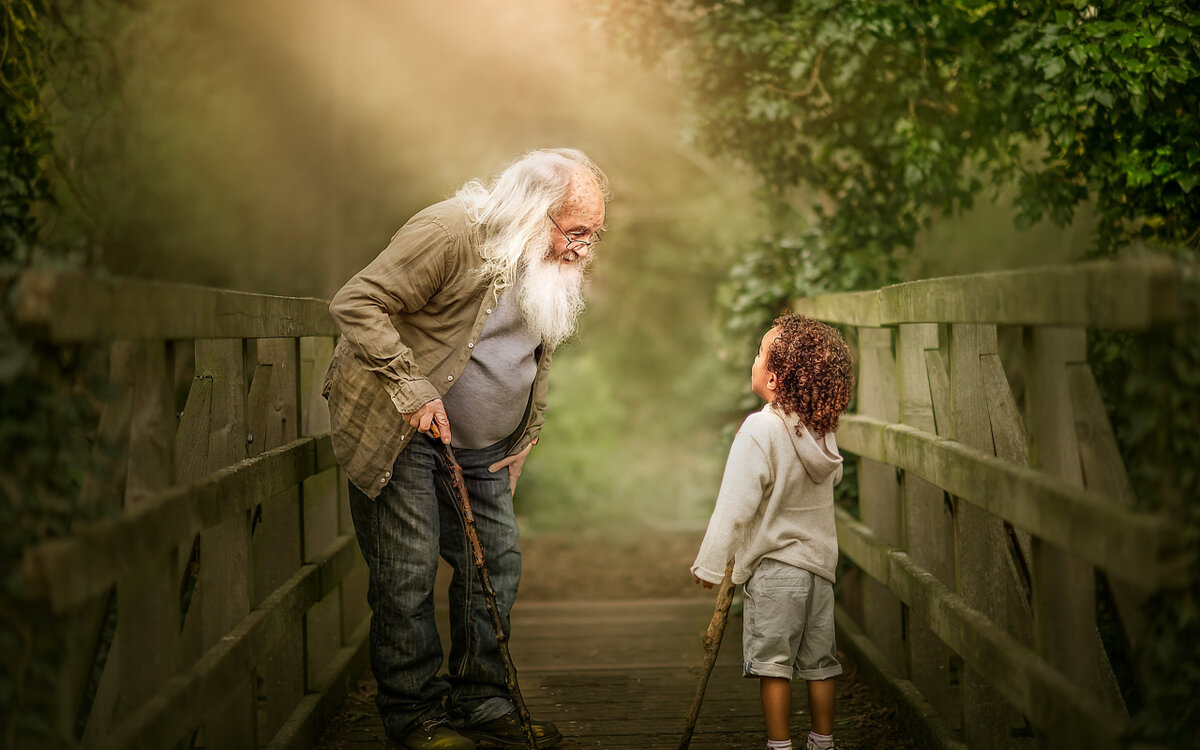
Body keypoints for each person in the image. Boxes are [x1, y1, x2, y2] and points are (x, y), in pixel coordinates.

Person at [323, 148, 608, 750]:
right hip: (402, 429)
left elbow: (536, 352)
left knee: (496, 564)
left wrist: (526, 431)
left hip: (485, 447)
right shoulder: (449, 232)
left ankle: (481, 701)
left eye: (594, 235)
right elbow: (358, 301)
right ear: (536, 212)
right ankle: (416, 719)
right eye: (577, 233)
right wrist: (410, 384)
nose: (585, 250)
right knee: (407, 572)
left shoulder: (545, 257)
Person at [691, 313, 855, 750]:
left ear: (776, 377)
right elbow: (831, 481)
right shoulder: (821, 430)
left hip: (775, 572)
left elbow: (735, 504)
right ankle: (823, 742)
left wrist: (710, 562)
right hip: (819, 569)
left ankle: (779, 747)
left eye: (761, 353)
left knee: (774, 667)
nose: (753, 359)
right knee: (820, 664)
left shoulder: (760, 429)